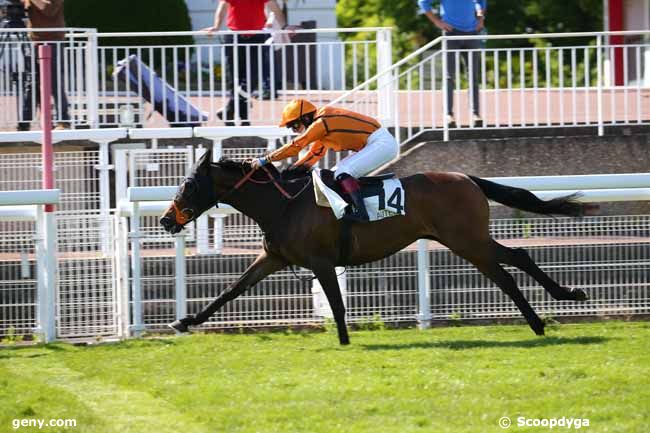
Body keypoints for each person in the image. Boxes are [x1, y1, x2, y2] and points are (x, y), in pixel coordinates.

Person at [250, 99, 399, 222]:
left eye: (295, 125)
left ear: (306, 118)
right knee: (334, 174)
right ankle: (351, 207)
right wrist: (289, 174)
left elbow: (296, 145)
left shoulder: (322, 123)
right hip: (375, 143)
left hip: (381, 143)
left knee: (342, 172)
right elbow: (314, 154)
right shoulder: (323, 125)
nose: (294, 130)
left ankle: (362, 213)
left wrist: (265, 159)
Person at [204, 0, 294, 126]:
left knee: (253, 77)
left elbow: (275, 8)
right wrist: (216, 26)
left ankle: (230, 109)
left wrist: (284, 26)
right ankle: (244, 118)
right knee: (236, 78)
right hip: (234, 36)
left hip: (257, 37)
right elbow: (223, 7)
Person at [419, 0, 486, 128]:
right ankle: (448, 114)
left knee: (473, 76)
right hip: (451, 32)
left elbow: (481, 2)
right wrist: (437, 22)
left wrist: (481, 19)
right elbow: (423, 2)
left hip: (472, 33)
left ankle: (475, 114)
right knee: (449, 76)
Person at [19, 0, 70, 131]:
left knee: (55, 81)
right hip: (35, 41)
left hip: (53, 41)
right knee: (32, 83)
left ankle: (63, 121)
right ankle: (24, 123)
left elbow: (48, 9)